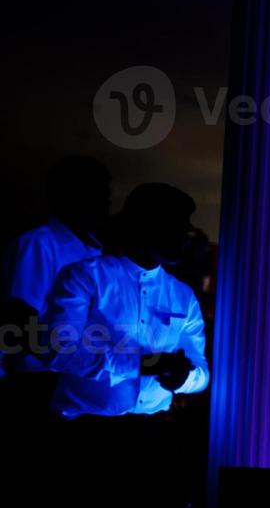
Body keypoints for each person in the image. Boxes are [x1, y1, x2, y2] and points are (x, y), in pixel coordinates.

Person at [44, 182, 209, 419]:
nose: (186, 236)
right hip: (83, 428)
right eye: (178, 226)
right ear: (148, 225)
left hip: (155, 430)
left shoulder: (184, 296)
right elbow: (58, 349)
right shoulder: (85, 276)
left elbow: (201, 370)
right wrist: (142, 364)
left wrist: (185, 379)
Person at [0, 156, 109, 379]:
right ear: (72, 194)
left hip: (77, 374)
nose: (108, 198)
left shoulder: (95, 251)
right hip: (38, 376)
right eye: (99, 190)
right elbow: (21, 319)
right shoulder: (39, 243)